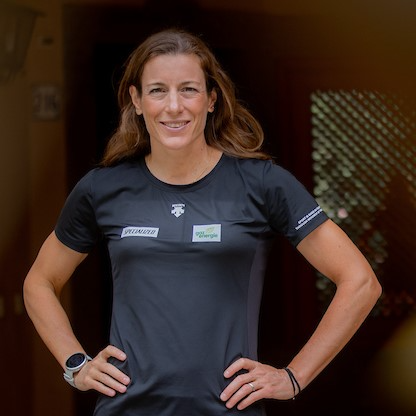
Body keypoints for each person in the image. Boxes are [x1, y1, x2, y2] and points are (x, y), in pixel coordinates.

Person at [23, 29, 382, 416]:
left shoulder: (262, 183)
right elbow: (40, 282)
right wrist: (76, 365)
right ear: (136, 100)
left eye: (188, 90)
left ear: (212, 99)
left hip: (228, 409)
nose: (173, 106)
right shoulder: (103, 188)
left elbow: (360, 281)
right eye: (158, 90)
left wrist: (294, 377)